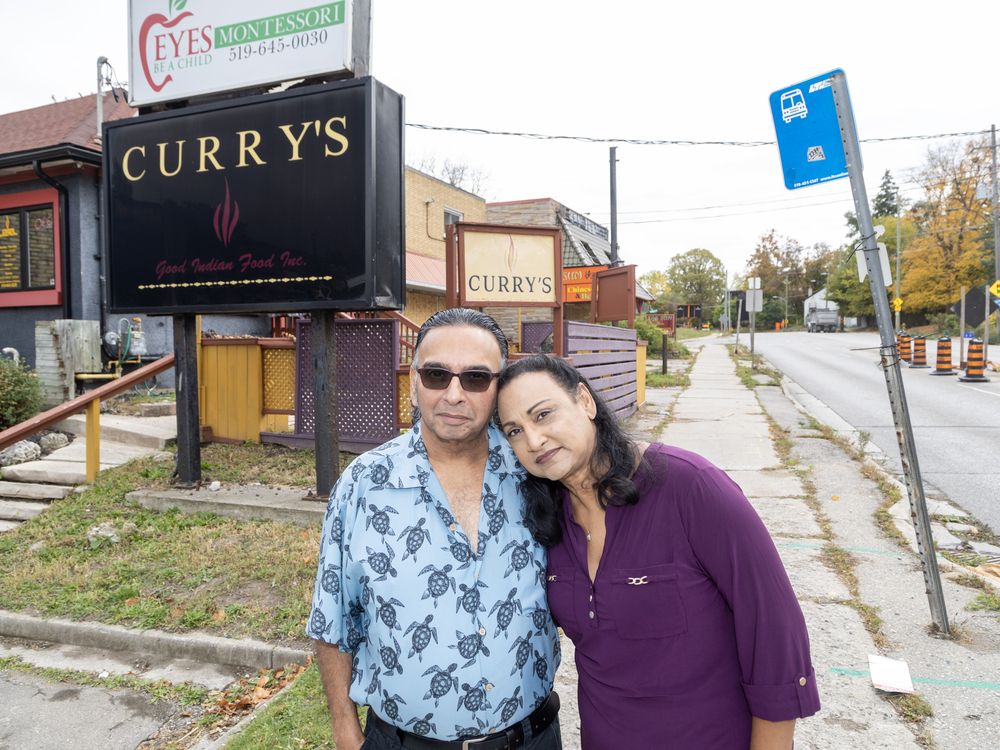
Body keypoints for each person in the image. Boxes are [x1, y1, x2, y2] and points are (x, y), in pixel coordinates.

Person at [496, 354, 820, 750]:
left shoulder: (690, 486)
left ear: (584, 401)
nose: (533, 440)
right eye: (514, 430)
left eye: (543, 415)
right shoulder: (548, 520)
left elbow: (773, 626)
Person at [308, 309, 562, 750]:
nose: (454, 394)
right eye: (437, 375)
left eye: (477, 378)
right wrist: (346, 732)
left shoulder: (535, 470)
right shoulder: (364, 485)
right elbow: (333, 619)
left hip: (532, 738)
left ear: (499, 387)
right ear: (413, 382)